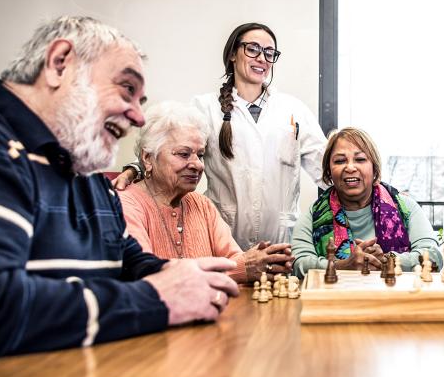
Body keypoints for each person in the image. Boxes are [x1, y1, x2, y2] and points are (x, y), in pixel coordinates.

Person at [0, 16, 239, 365]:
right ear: (59, 64)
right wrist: (155, 297)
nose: (139, 117)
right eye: (127, 89)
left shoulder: (83, 169)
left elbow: (126, 260)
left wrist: (178, 275)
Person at [114, 23, 327, 250]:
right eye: (253, 49)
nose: (262, 58)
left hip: (283, 242)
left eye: (269, 52)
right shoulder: (205, 107)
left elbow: (326, 167)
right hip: (221, 242)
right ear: (233, 54)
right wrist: (135, 169)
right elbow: (170, 148)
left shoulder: (293, 110)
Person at [119, 101, 293, 281]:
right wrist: (243, 268)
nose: (198, 165)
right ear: (148, 158)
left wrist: (263, 259)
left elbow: (233, 258)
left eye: (200, 155)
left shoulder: (201, 204)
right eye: (184, 154)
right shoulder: (126, 205)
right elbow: (147, 276)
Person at [291, 127, 443, 279]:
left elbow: (433, 256)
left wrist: (386, 260)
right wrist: (342, 266)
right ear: (329, 172)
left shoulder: (406, 208)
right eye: (340, 161)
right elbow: (298, 263)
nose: (350, 167)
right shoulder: (313, 215)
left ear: (375, 170)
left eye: (360, 159)